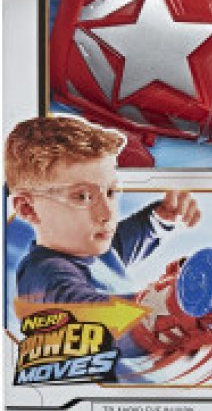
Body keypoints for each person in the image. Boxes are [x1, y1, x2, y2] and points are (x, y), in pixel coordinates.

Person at [6, 116, 200, 304]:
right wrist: (169, 303)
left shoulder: (93, 250)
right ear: (28, 209)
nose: (107, 214)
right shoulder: (45, 274)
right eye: (83, 197)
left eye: (110, 192)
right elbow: (86, 306)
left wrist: (163, 216)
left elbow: (127, 239)